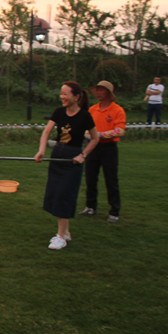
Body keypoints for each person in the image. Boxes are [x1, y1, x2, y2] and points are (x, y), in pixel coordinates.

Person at [35, 81, 99, 250]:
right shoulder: (59, 112)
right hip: (57, 155)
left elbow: (95, 138)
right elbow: (46, 132)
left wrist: (83, 155)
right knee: (56, 194)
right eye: (61, 93)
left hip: (73, 158)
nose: (61, 97)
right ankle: (66, 232)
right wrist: (41, 151)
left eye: (65, 94)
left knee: (64, 195)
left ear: (76, 97)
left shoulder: (85, 116)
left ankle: (60, 237)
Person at [80, 80, 126, 223]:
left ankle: (114, 211)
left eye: (102, 90)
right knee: (90, 178)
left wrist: (100, 135)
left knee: (111, 180)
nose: (99, 93)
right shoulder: (93, 109)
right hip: (93, 147)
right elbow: (86, 126)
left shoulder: (117, 110)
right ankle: (90, 206)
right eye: (97, 90)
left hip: (109, 148)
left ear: (109, 93)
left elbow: (120, 131)